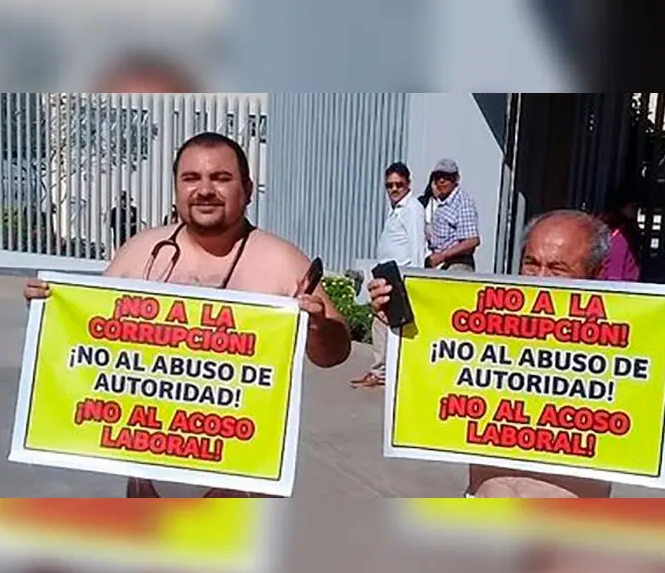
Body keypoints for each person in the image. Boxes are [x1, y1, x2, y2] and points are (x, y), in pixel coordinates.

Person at [25, 132, 352, 499]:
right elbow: (86, 337)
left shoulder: (282, 260)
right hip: (147, 475)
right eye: (191, 178)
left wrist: (319, 327)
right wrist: (49, 312)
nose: (205, 190)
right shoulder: (140, 252)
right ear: (176, 187)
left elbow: (334, 353)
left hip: (240, 480)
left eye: (221, 178)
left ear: (247, 188)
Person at [367, 209, 665, 498]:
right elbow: (430, 375)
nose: (541, 277)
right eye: (531, 263)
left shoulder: (622, 335)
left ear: (597, 272)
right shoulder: (484, 322)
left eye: (557, 268)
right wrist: (398, 321)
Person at [350, 162, 427, 389]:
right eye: (389, 186)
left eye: (399, 185)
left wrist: (414, 281)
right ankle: (381, 371)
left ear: (408, 184)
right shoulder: (396, 209)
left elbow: (417, 246)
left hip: (400, 278)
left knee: (387, 325)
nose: (394, 189)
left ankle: (382, 372)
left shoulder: (412, 209)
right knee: (382, 324)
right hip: (387, 275)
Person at [425, 159, 481, 272]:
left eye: (446, 177)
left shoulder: (462, 202)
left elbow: (472, 241)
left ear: (456, 179)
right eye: (438, 177)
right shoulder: (441, 202)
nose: (441, 180)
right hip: (439, 263)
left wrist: (443, 255)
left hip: (457, 264)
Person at [599, 185, 643, 281]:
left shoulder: (627, 229)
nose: (636, 211)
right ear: (621, 206)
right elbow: (615, 273)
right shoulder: (619, 234)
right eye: (632, 207)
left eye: (638, 207)